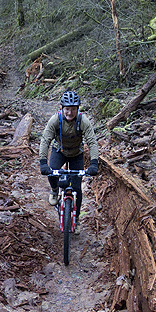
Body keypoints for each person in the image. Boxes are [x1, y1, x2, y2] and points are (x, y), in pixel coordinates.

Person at [39, 90, 99, 234]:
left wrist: (94, 163)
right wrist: (42, 162)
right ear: (62, 108)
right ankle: (54, 190)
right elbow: (45, 139)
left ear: (77, 109)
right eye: (67, 109)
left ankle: (76, 219)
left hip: (76, 154)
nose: (70, 112)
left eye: (73, 109)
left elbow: (92, 141)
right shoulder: (55, 119)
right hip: (59, 151)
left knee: (77, 189)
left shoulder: (82, 121)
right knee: (52, 171)